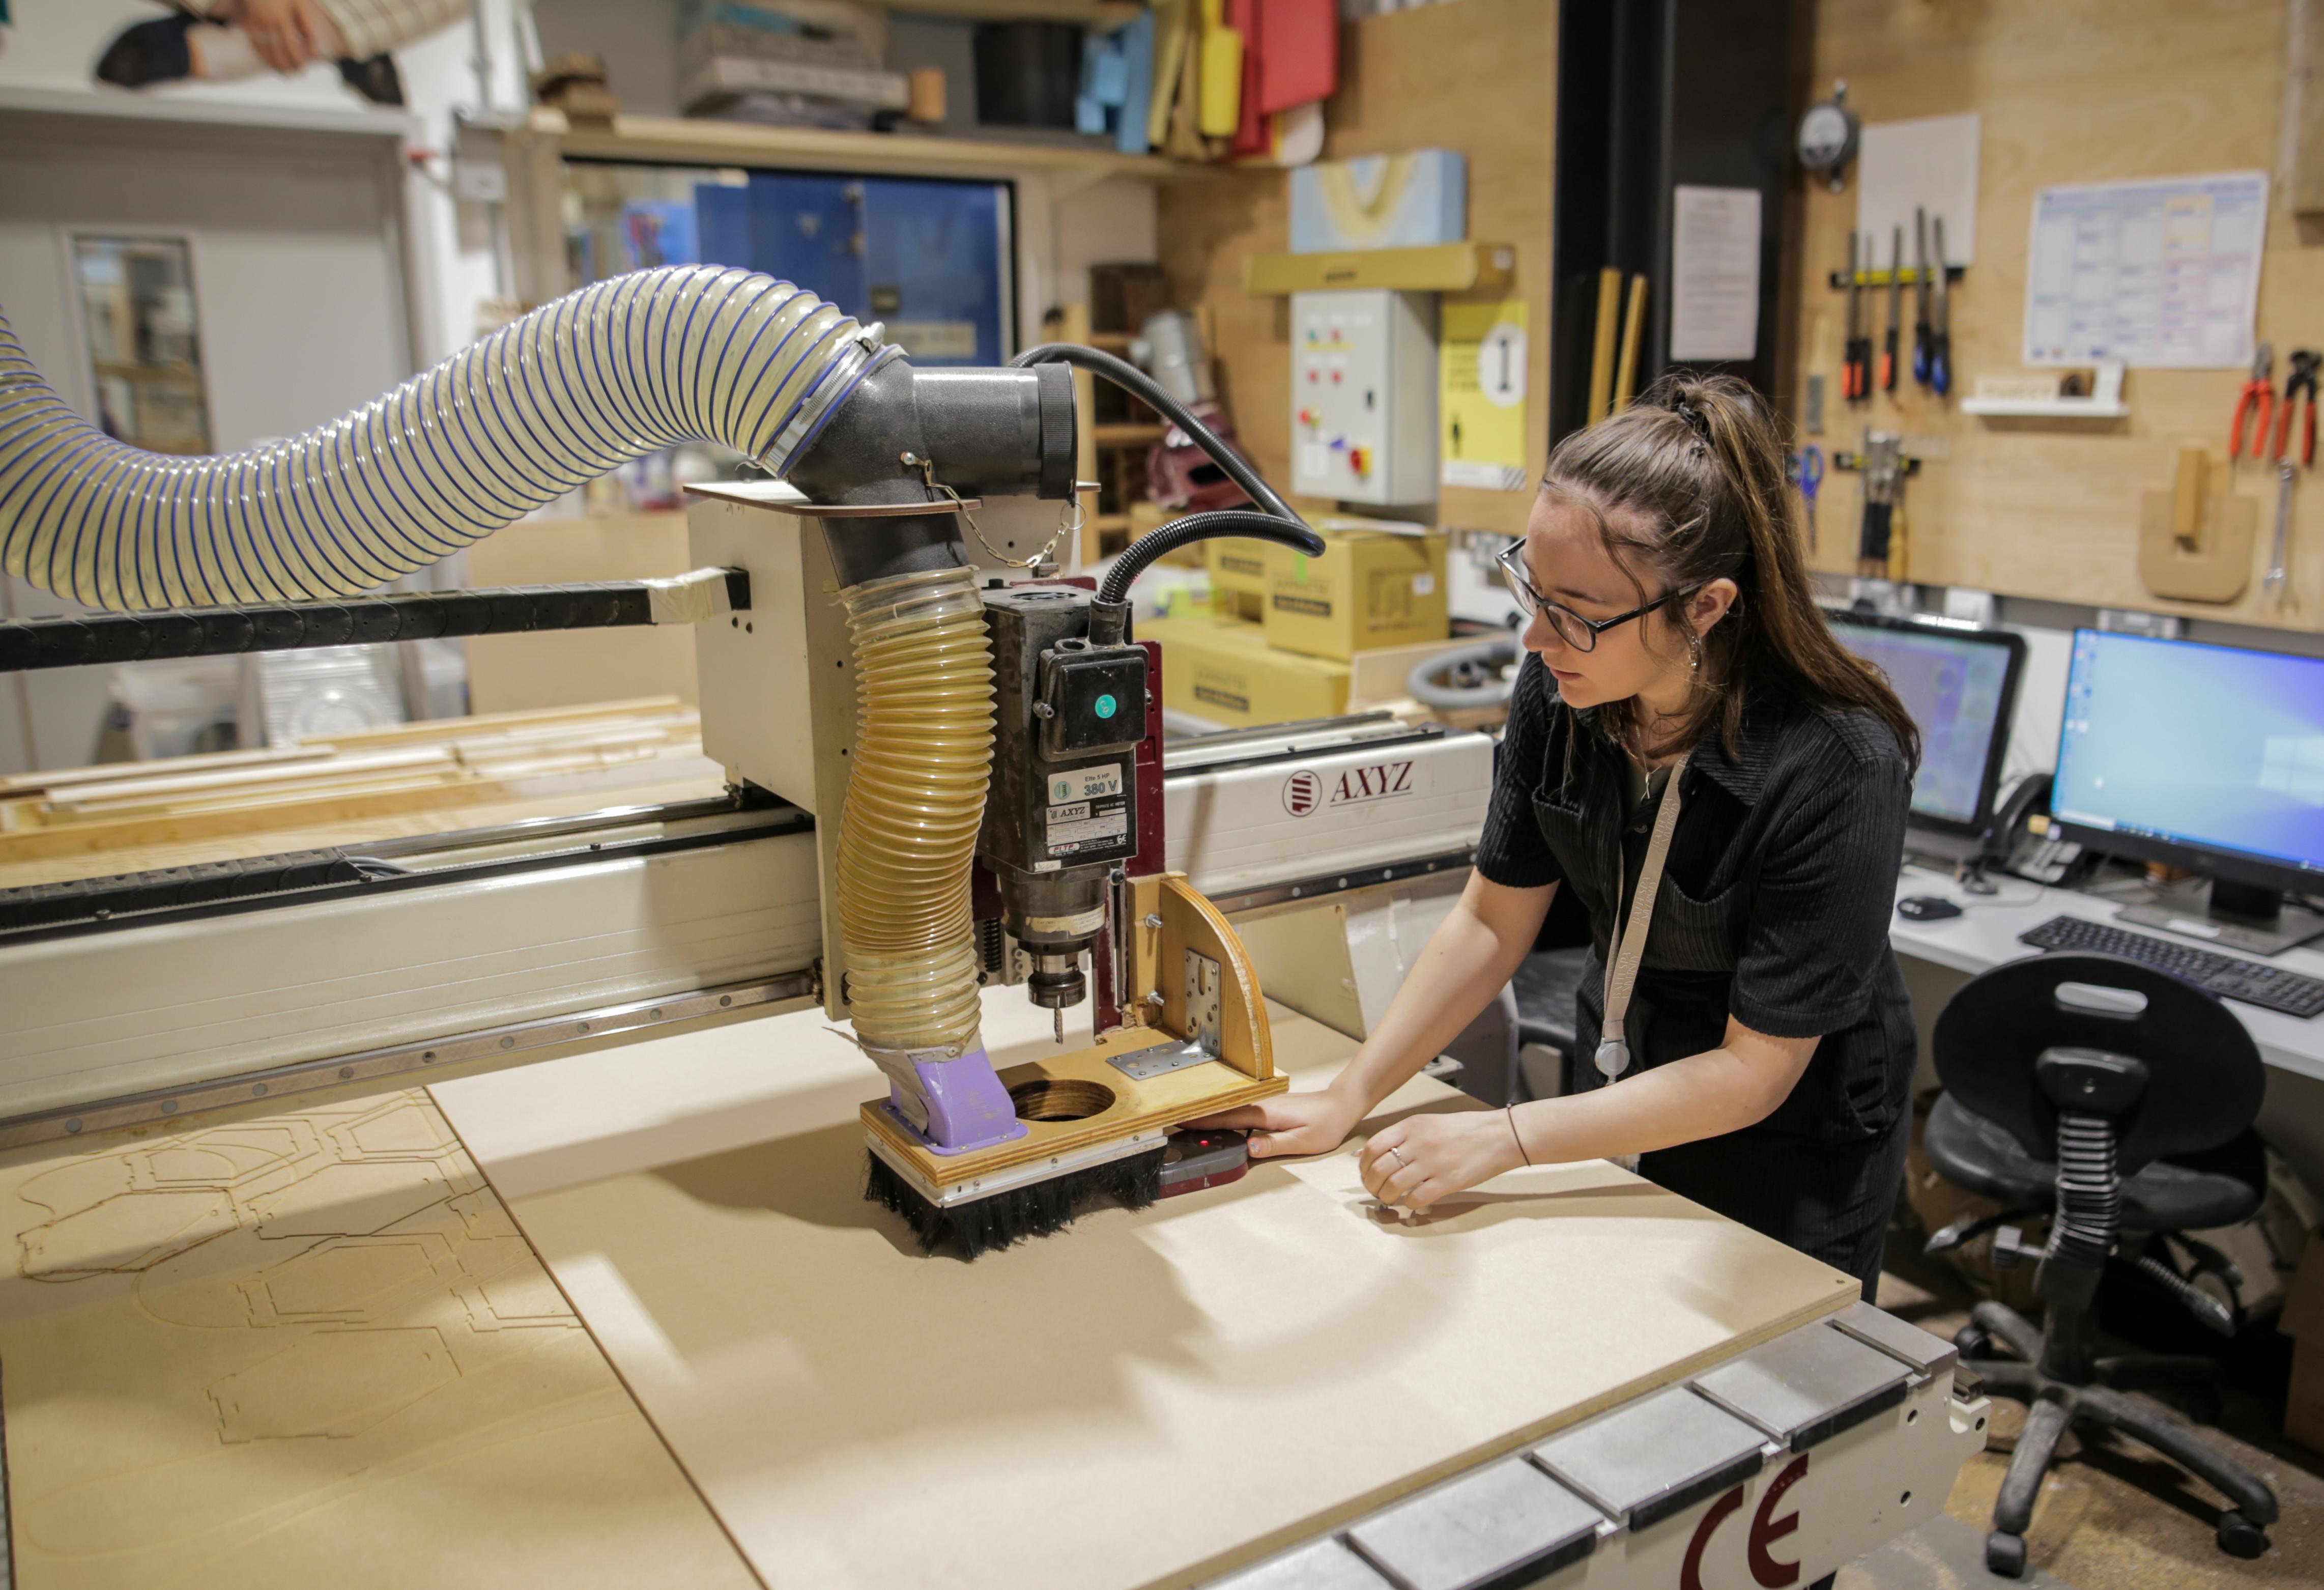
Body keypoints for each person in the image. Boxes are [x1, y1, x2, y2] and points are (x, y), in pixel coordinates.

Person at [1197, 375, 1921, 1296]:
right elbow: (1491, 921)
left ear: (1706, 607)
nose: (1536, 637)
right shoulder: (1564, 687)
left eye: (1576, 612)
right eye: (1531, 589)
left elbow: (1754, 1070)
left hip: (1787, 1129)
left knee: (1769, 1343)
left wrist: (1507, 1136)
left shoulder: (1837, 762)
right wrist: (1351, 1094)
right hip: (1622, 1051)